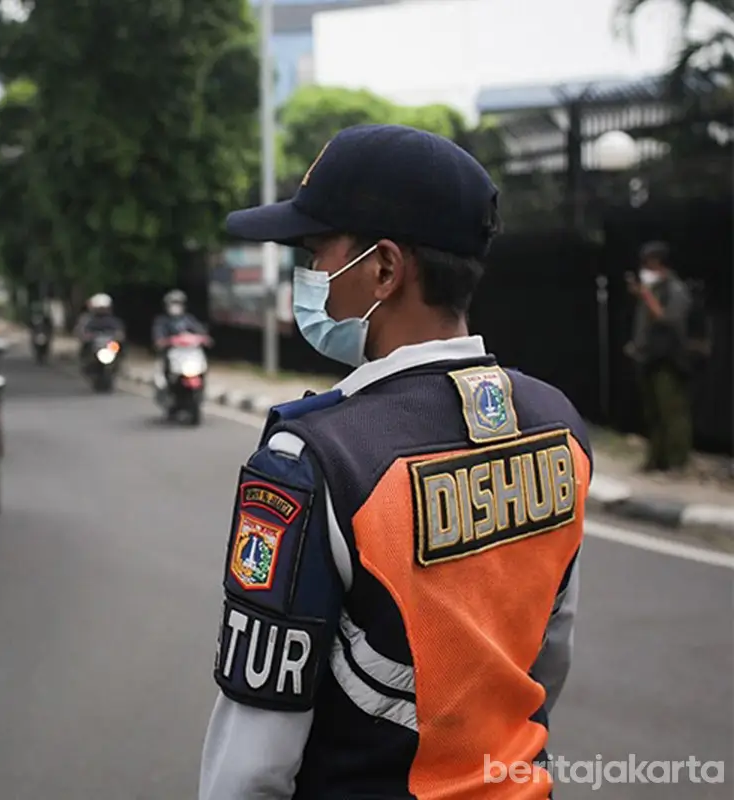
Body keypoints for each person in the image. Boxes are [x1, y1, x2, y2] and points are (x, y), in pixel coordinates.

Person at [200, 124, 592, 799]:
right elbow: (546, 660)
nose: (309, 277)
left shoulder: (315, 460)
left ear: (384, 269)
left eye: (316, 252)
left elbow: (251, 766)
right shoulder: (559, 427)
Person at [624, 241, 694, 472]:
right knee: (653, 412)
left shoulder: (675, 290)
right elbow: (645, 325)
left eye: (650, 263)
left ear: (659, 264)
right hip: (649, 358)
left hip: (669, 360)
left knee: (671, 411)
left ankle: (677, 461)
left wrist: (645, 295)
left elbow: (667, 319)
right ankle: (656, 459)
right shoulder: (652, 291)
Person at [151, 289, 208, 387]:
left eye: (178, 303)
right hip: (171, 351)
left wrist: (203, 338)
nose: (176, 306)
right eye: (173, 303)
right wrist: (164, 341)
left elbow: (199, 330)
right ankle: (165, 383)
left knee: (202, 365)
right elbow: (158, 337)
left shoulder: (188, 319)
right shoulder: (162, 321)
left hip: (188, 353)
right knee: (163, 365)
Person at [74, 293, 125, 362]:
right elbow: (81, 331)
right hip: (94, 345)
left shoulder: (114, 321)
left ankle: (118, 361)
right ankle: (86, 361)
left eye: (104, 308)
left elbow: (119, 332)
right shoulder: (87, 320)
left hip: (109, 344)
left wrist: (118, 337)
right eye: (100, 308)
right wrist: (86, 336)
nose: (102, 310)